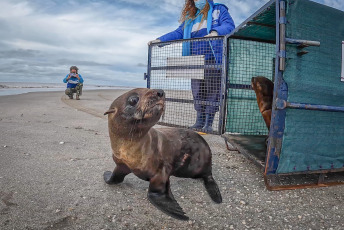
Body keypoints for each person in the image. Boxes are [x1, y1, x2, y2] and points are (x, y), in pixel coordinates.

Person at [149, 0, 235, 132]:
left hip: (213, 59)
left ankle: (208, 124)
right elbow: (178, 33)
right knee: (197, 91)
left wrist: (215, 32)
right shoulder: (190, 18)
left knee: (213, 91)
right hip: (194, 61)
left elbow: (229, 25)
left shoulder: (218, 10)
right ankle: (199, 122)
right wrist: (160, 40)